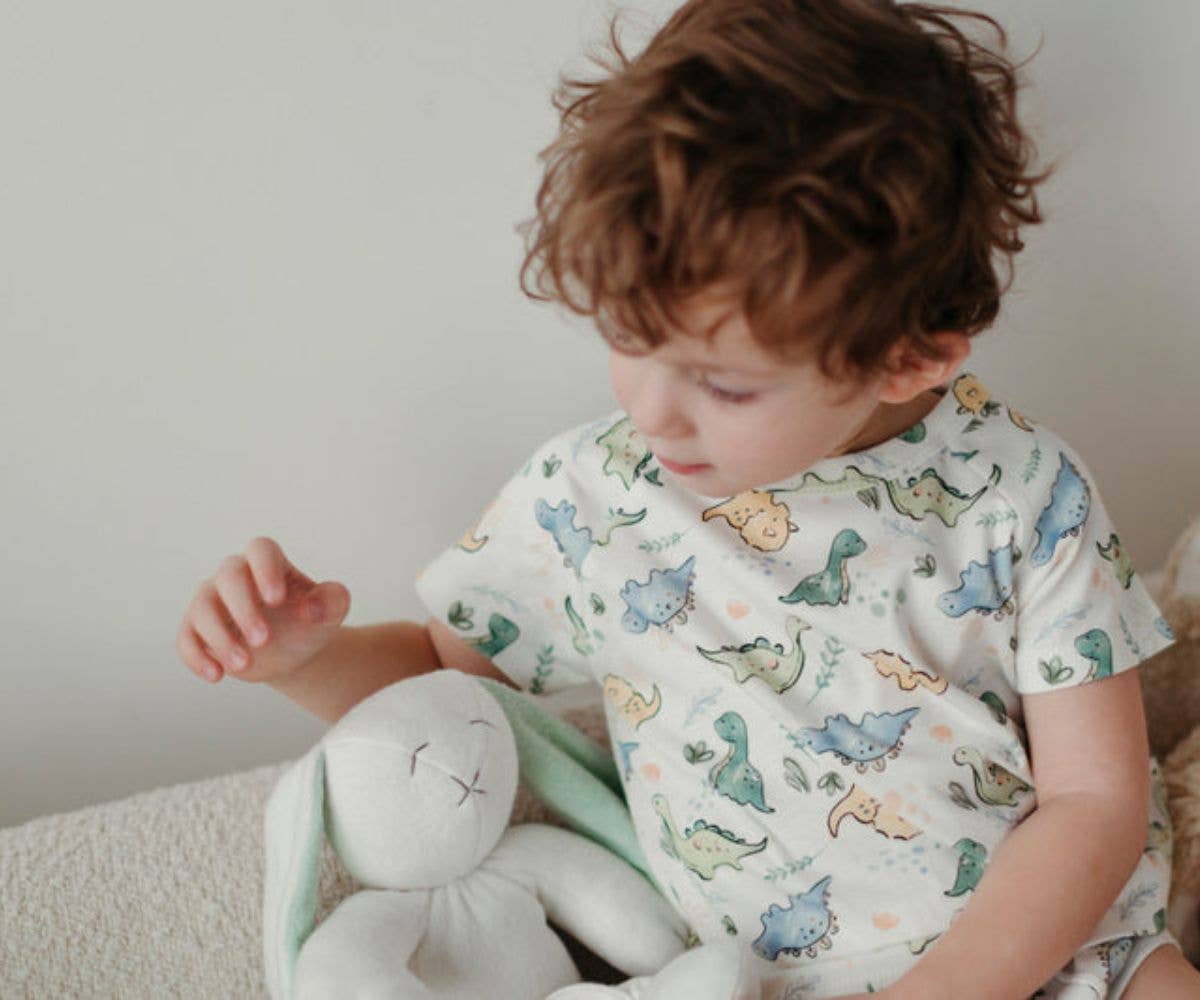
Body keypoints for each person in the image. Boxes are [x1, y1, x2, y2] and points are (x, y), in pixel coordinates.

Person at [175, 2, 1200, 996]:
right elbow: (445, 681)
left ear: (907, 356)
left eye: (725, 385)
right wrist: (299, 658)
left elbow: (1094, 801)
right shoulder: (590, 498)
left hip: (1063, 953)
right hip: (760, 983)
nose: (652, 411)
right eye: (628, 337)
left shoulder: (1023, 493)